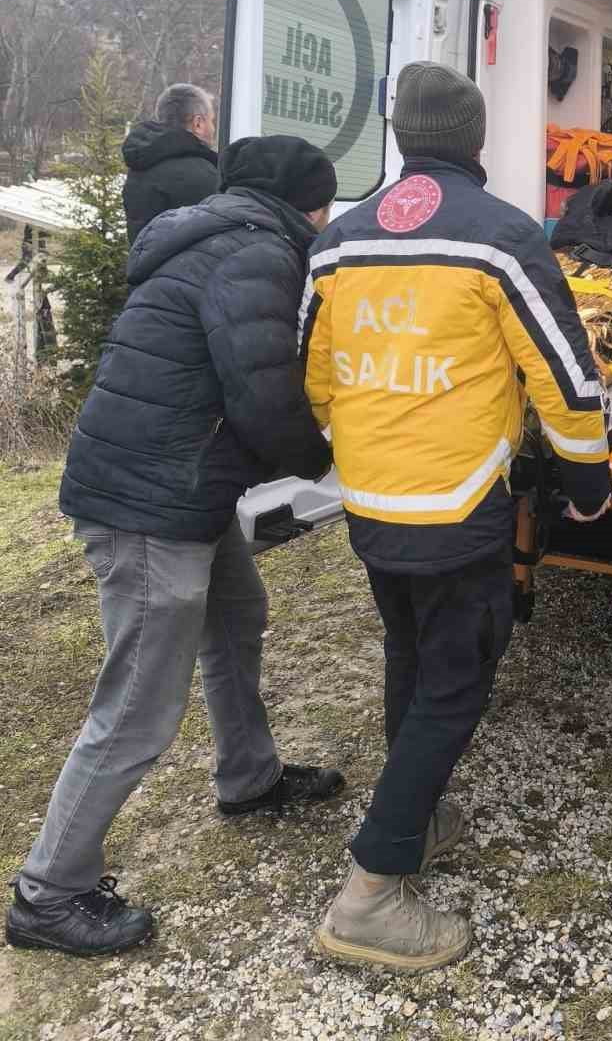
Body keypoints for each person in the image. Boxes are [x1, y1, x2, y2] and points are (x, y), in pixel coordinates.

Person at [305, 61, 612, 973]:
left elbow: (315, 375)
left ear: (400, 136)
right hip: (460, 503)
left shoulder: (342, 239)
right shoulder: (501, 237)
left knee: (411, 657)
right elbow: (563, 376)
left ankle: (419, 813)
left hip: (372, 500)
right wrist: (588, 483)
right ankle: (370, 890)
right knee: (456, 682)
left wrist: (367, 443)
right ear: (476, 142)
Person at [7, 136, 343, 959]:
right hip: (149, 500)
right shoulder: (257, 255)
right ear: (308, 203)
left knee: (237, 617)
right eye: (328, 204)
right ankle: (48, 893)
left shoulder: (219, 236)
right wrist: (334, 457)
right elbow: (265, 395)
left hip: (178, 485)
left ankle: (249, 778)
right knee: (137, 703)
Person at [121, 82, 220, 243]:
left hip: (144, 265)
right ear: (198, 123)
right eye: (211, 120)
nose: (213, 128)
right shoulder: (203, 175)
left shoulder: (142, 165)